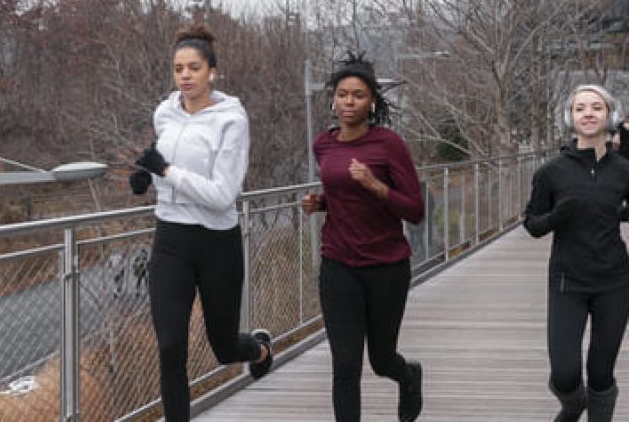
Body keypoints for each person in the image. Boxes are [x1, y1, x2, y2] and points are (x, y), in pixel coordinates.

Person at [126, 23, 275, 422]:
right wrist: (148, 177)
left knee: (224, 347)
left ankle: (259, 350)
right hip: (171, 238)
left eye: (194, 68)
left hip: (216, 243)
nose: (186, 76)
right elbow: (165, 166)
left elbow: (222, 195)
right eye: (178, 69)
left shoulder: (231, 120)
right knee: (171, 345)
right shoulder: (165, 113)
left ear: (212, 71)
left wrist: (167, 170)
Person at [522, 85, 629, 422]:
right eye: (580, 108)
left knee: (600, 374)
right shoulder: (552, 171)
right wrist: (556, 217)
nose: (588, 113)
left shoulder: (625, 172)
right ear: (570, 117)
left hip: (614, 283)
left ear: (608, 115)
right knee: (565, 374)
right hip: (568, 282)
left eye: (596, 107)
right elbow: (532, 224)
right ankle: (572, 406)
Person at [299, 52, 425, 422]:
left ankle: (408, 375)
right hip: (338, 264)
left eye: (357, 95)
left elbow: (414, 210)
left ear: (371, 102)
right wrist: (319, 202)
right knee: (345, 364)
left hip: (386, 266)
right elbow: (342, 195)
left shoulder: (389, 145)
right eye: (342, 94)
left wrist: (374, 184)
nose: (348, 102)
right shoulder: (324, 144)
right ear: (333, 99)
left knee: (381, 360)